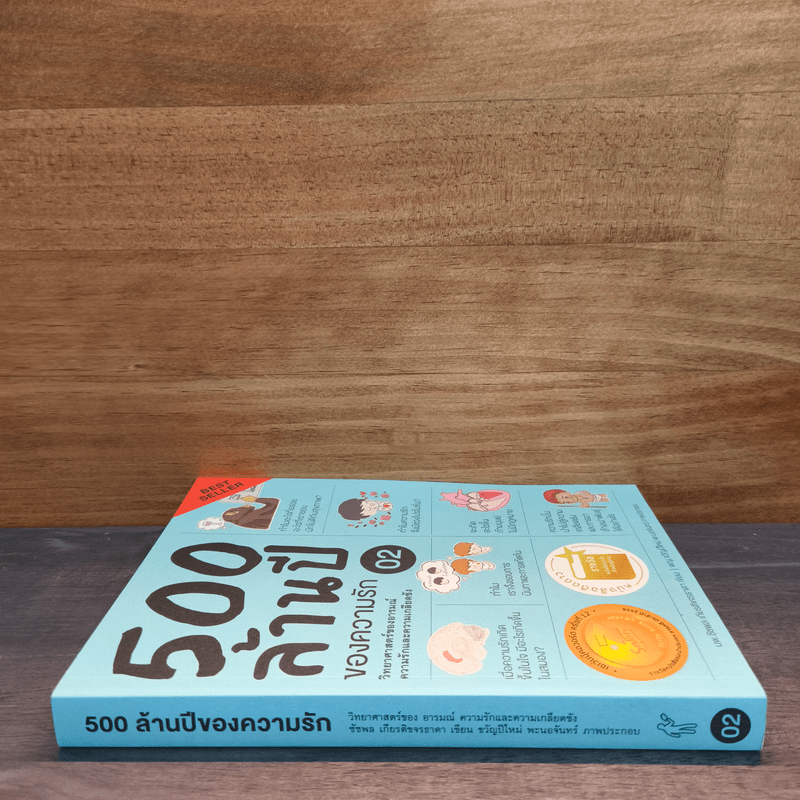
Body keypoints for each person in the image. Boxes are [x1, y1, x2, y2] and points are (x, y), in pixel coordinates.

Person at [542, 489, 608, 508]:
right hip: (594, 500)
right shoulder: (580, 501)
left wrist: (587, 493)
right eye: (566, 502)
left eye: (564, 497)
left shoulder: (577, 493)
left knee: (603, 495)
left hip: (594, 495)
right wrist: (584, 505)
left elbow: (584, 491)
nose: (567, 499)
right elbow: (586, 504)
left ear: (566, 492)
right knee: (604, 499)